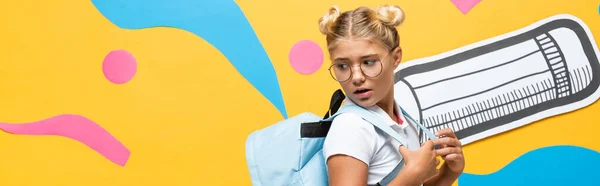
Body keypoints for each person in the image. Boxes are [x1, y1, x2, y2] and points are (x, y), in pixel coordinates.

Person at [319, 4, 465, 186]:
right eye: (342, 66)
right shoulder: (351, 127)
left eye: (369, 62)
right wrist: (410, 176)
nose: (356, 77)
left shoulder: (403, 120)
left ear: (395, 58)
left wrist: (449, 172)